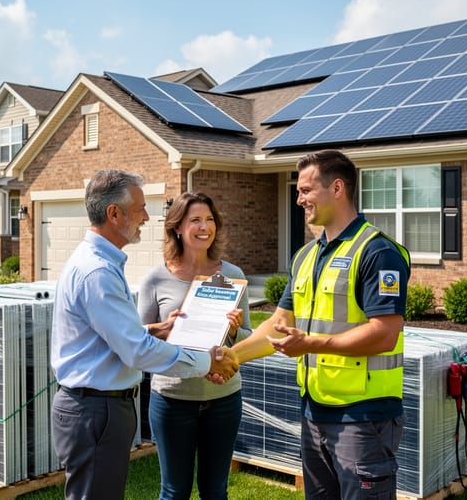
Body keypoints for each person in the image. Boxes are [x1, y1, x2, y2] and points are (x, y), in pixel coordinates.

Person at [231, 149, 410, 499]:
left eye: (306, 190)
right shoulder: (306, 255)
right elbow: (280, 324)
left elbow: (385, 334)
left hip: (364, 416)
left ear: (338, 188)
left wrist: (310, 344)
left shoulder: (377, 252)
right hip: (314, 412)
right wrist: (231, 356)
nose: (299, 200)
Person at [49, 169, 238, 500]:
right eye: (139, 209)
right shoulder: (99, 272)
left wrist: (156, 330)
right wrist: (205, 362)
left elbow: (116, 336)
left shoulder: (98, 264)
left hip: (97, 408)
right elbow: (136, 351)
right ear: (114, 213)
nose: (146, 217)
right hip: (96, 410)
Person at [137, 191, 251, 500]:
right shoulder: (155, 280)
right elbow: (137, 341)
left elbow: (248, 340)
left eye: (210, 219)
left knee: (215, 491)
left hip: (224, 398)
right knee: (174, 492)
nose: (205, 227)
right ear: (177, 227)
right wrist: (164, 329)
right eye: (195, 220)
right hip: (173, 398)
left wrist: (234, 329)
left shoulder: (232, 275)